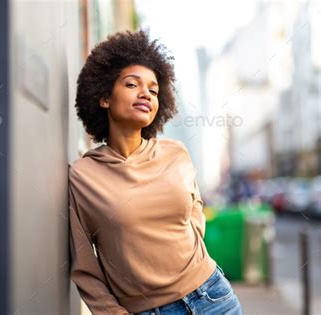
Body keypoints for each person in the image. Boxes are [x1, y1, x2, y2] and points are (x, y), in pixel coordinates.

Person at [68, 30, 243, 315]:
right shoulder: (83, 176)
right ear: (104, 97)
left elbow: (195, 209)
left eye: (153, 89)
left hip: (214, 297)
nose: (145, 94)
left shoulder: (176, 154)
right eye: (132, 84)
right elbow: (84, 265)